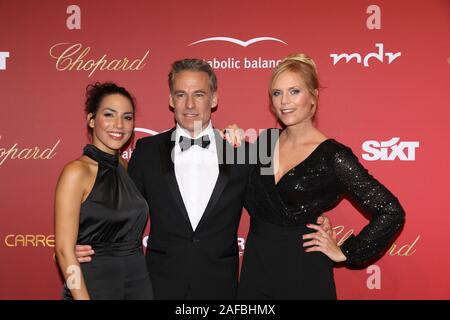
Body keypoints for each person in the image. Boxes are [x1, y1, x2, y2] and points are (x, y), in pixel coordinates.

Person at [74, 58, 333, 299]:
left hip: (220, 286)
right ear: (171, 100)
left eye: (199, 95)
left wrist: (312, 221)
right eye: (181, 95)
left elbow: (277, 206)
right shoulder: (147, 151)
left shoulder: (244, 153)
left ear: (214, 99)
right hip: (159, 284)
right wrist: (79, 247)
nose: (189, 105)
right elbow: (123, 210)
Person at [236, 53, 406, 299]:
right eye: (277, 93)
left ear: (313, 95)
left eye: (294, 91)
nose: (284, 101)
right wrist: (227, 140)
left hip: (304, 270)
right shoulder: (264, 143)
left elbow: (391, 211)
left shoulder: (333, 156)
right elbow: (225, 183)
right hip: (257, 267)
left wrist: (346, 252)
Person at [54, 82, 154, 300]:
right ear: (91, 119)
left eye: (127, 117)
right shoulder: (76, 172)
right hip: (92, 286)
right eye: (109, 114)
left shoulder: (128, 169)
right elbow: (63, 251)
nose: (119, 124)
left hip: (138, 285)